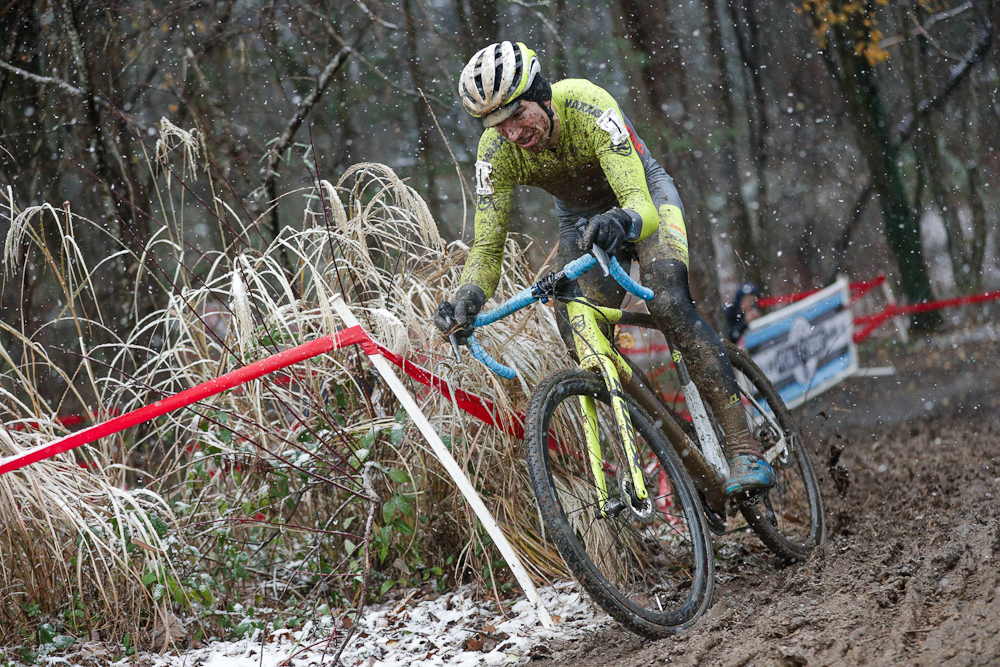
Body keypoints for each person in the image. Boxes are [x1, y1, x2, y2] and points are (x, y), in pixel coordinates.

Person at [433, 41, 774, 497]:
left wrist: (624, 220)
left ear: (542, 94)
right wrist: (466, 297)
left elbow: (639, 205)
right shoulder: (494, 154)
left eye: (516, 115)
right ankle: (671, 443)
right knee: (580, 335)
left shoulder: (589, 106)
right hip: (580, 221)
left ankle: (742, 445)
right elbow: (487, 247)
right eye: (496, 124)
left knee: (669, 302)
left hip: (643, 198)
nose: (511, 133)